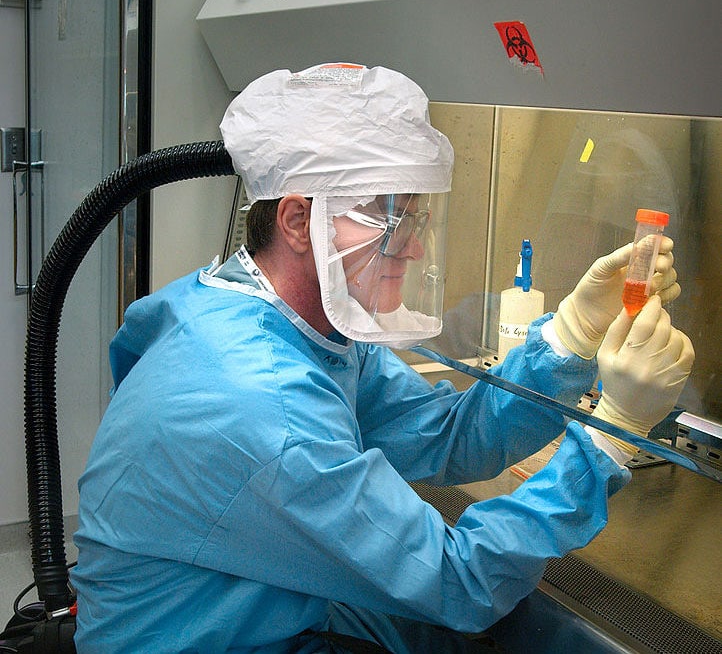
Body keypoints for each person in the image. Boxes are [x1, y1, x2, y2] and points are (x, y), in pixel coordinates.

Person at [72, 63, 694, 654]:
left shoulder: (287, 326)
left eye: (417, 216)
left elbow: (448, 436)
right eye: (389, 217)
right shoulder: (266, 405)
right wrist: (612, 439)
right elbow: (460, 584)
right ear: (296, 220)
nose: (417, 245)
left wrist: (570, 337)